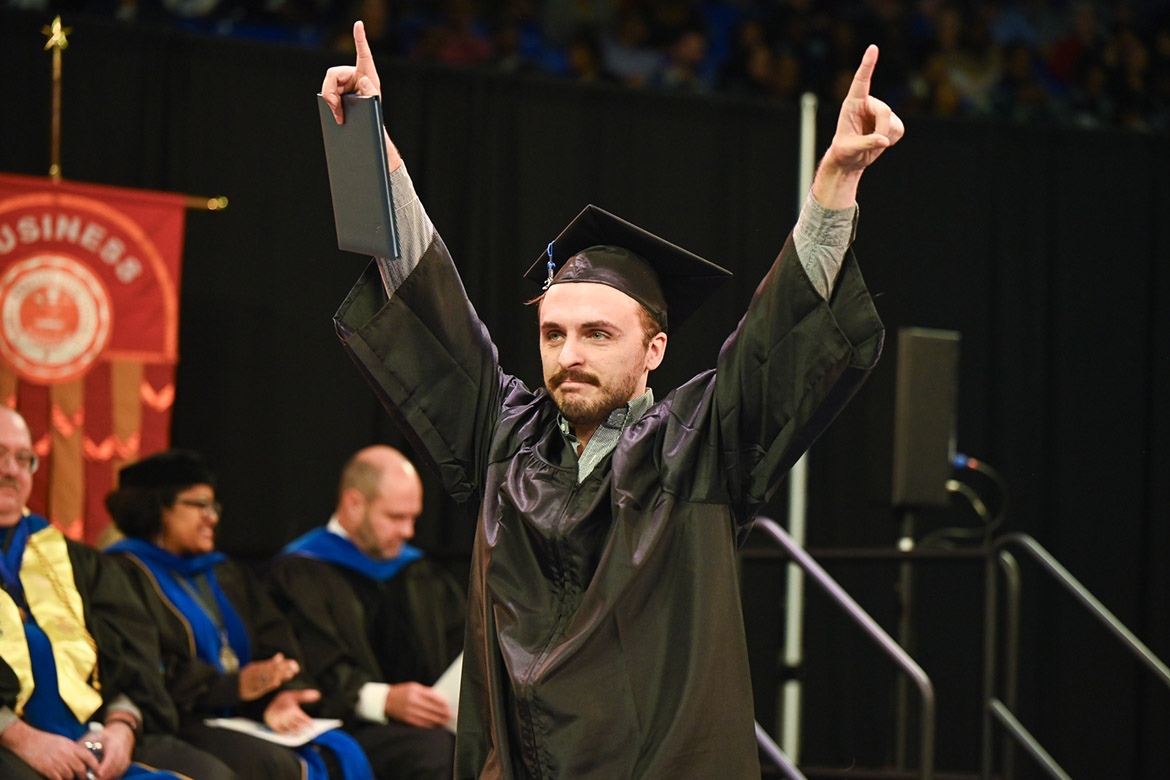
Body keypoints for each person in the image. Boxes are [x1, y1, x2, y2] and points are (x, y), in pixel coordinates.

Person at [323, 19, 900, 779]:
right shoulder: (507, 443)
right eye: (554, 334)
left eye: (597, 333)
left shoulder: (701, 448)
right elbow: (435, 313)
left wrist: (835, 187)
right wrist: (367, 149)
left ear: (654, 348)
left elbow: (775, 341)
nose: (568, 355)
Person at [103, 450, 374, 780]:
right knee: (276, 765)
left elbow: (274, 641)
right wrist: (233, 687)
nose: (212, 518)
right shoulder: (121, 573)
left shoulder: (225, 573)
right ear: (157, 508)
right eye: (198, 505)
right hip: (178, 721)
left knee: (338, 750)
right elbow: (145, 669)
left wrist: (279, 696)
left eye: (214, 506)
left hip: (242, 715)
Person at [0, 406, 237, 780]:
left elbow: (127, 656)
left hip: (91, 738)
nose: (10, 470)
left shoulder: (77, 561)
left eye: (23, 458)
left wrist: (122, 724)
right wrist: (18, 736)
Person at [266, 445, 463, 780]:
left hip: (431, 724)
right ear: (354, 504)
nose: (408, 531)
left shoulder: (420, 573)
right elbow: (308, 667)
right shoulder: (300, 573)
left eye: (413, 517)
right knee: (435, 753)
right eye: (395, 517)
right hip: (348, 725)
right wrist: (383, 700)